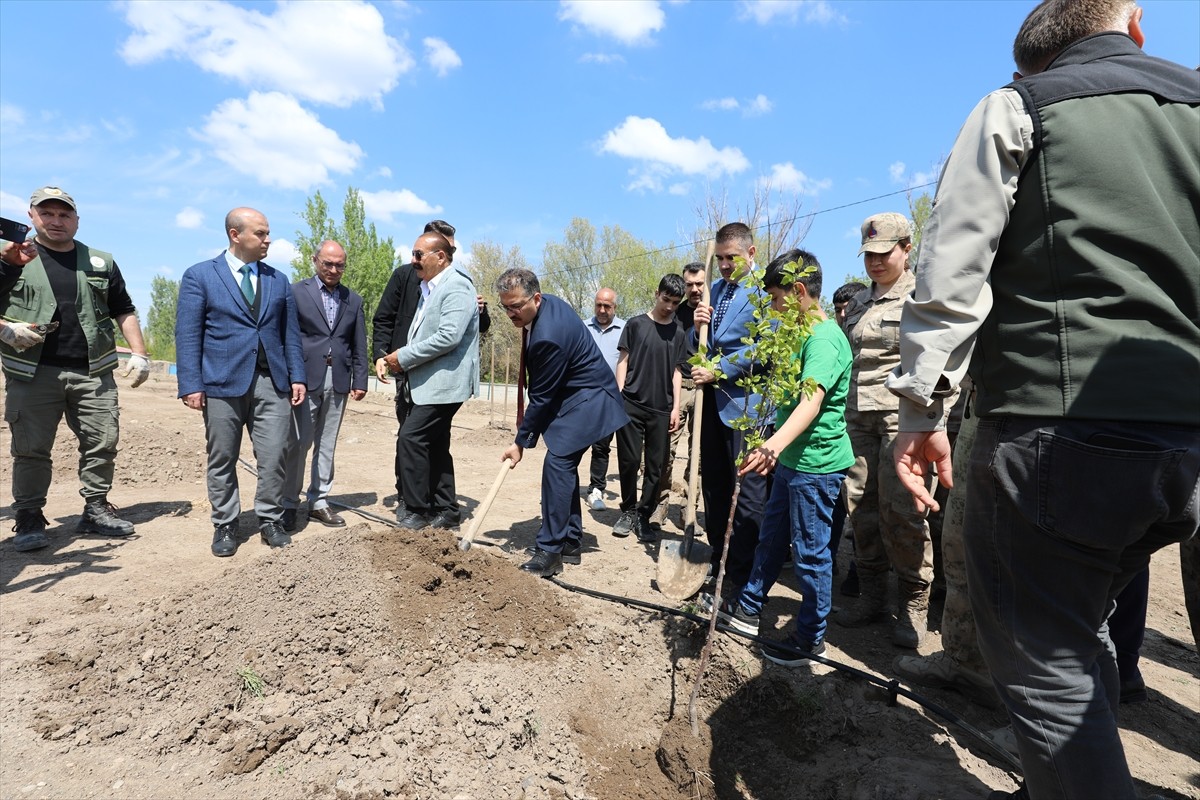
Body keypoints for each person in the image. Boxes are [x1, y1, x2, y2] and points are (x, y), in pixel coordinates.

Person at [886, 2, 1199, 797]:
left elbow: (952, 268)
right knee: (1078, 623)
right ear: (1135, 27)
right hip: (1188, 444)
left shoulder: (1019, 106)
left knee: (1046, 659)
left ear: (1030, 61)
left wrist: (922, 412)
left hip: (1055, 437)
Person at [712, 249, 855, 667]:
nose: (773, 308)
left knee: (810, 555)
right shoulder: (795, 335)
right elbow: (784, 399)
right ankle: (749, 608)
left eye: (776, 299)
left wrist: (770, 446)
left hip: (817, 465)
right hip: (792, 458)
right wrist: (775, 443)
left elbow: (810, 403)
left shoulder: (824, 339)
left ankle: (810, 639)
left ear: (798, 291)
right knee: (771, 538)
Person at [0, 186, 151, 551]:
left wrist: (140, 353)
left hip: (93, 371)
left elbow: (123, 309)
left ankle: (96, 509)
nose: (56, 221)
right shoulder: (13, 258)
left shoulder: (99, 262)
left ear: (77, 220)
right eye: (47, 213)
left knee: (102, 442)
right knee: (31, 448)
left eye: (64, 214)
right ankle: (29, 516)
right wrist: (5, 329)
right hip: (33, 371)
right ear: (31, 217)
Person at [834, 212, 942, 650]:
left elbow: (935, 362)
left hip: (903, 420)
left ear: (906, 249)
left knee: (904, 512)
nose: (875, 262)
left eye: (884, 253)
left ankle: (913, 605)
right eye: (869, 255)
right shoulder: (858, 302)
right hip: (858, 419)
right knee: (861, 509)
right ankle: (872, 597)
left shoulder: (922, 297)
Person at [176, 207, 306, 558]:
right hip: (221, 382)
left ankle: (270, 520)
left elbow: (290, 334)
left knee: (275, 455)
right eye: (260, 233)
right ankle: (225, 524)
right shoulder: (200, 276)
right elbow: (188, 334)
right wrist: (191, 384)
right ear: (235, 235)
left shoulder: (278, 280)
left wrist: (297, 376)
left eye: (267, 233)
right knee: (222, 457)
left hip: (271, 381)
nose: (268, 240)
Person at [496, 269, 629, 577]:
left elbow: (541, 397)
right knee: (562, 465)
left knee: (556, 466)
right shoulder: (548, 305)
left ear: (536, 298)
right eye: (505, 306)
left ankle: (550, 551)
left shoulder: (548, 337)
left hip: (590, 402)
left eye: (515, 306)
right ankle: (569, 541)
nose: (510, 313)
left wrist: (520, 443)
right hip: (580, 398)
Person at [372, 220, 488, 519]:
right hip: (426, 382)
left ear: (441, 256)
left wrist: (402, 357)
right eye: (413, 253)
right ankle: (446, 510)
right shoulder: (430, 287)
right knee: (435, 444)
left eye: (419, 254)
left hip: (443, 384)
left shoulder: (457, 285)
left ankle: (416, 510)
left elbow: (448, 337)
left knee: (411, 438)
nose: (413, 260)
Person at [691, 222, 772, 592]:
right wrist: (697, 327)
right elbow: (704, 345)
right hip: (712, 404)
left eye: (732, 258)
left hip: (748, 407)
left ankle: (741, 574)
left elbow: (766, 348)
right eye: (721, 258)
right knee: (715, 486)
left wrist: (719, 369)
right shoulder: (715, 290)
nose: (724, 265)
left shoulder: (766, 291)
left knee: (748, 495)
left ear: (750, 253)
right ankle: (716, 559)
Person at [282, 240, 368, 531]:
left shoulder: (353, 300)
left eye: (339, 265)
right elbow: (287, 337)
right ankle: (289, 503)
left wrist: (360, 379)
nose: (333, 270)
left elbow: (358, 343)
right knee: (299, 442)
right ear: (315, 260)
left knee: (327, 443)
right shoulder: (296, 293)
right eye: (327, 263)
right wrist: (291, 375)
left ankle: (318, 501)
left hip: (339, 378)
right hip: (304, 378)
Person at [612, 274, 687, 543]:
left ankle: (644, 515)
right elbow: (623, 360)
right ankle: (628, 511)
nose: (669, 306)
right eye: (666, 299)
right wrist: (619, 394)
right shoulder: (635, 324)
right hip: (631, 404)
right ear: (657, 293)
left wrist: (675, 408)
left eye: (675, 303)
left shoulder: (678, 333)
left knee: (656, 467)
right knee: (629, 461)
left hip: (661, 409)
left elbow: (677, 372)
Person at [650, 262, 705, 528]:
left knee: (700, 453)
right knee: (666, 448)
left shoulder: (714, 311)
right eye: (689, 285)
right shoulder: (676, 312)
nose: (694, 289)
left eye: (699, 284)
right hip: (679, 383)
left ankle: (688, 508)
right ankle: (661, 504)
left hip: (707, 387)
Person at [582, 288, 624, 511]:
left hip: (610, 399)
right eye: (598, 305)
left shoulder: (625, 330)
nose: (602, 310)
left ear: (615, 307)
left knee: (601, 447)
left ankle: (596, 489)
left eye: (607, 306)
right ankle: (565, 486)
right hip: (583, 397)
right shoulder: (582, 327)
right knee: (574, 444)